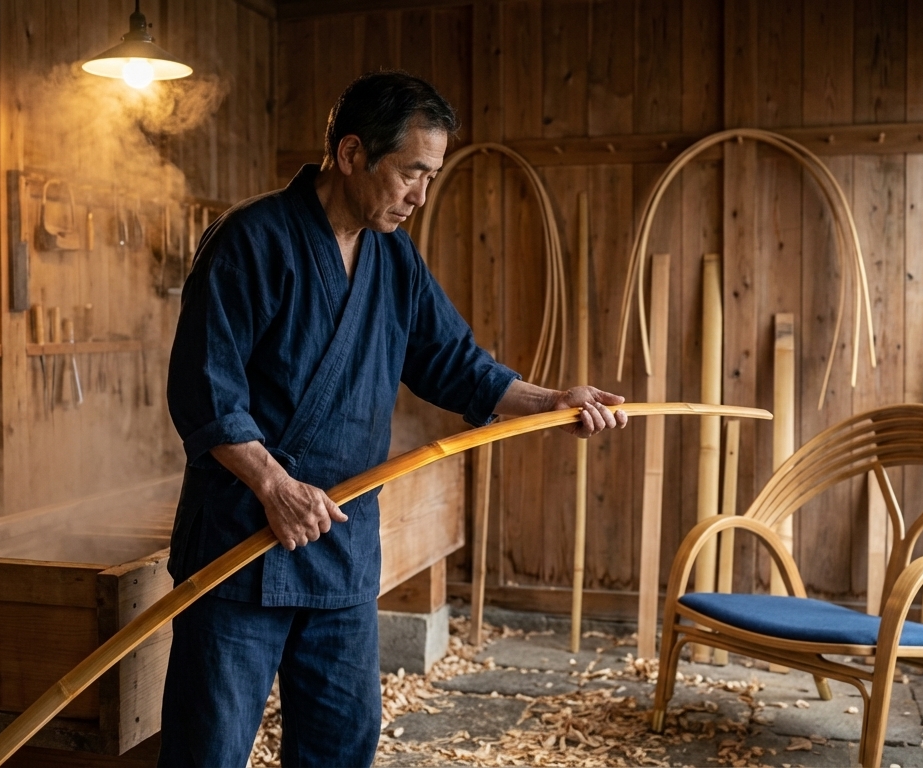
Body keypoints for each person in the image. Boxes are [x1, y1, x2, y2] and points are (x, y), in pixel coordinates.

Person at [161, 70, 628, 767]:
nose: (421, 195)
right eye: (411, 172)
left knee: (342, 742)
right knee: (211, 749)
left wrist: (549, 401)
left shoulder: (394, 258)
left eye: (431, 176)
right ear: (352, 154)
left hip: (342, 543)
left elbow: (453, 362)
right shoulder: (250, 241)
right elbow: (206, 389)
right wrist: (274, 486)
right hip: (244, 539)